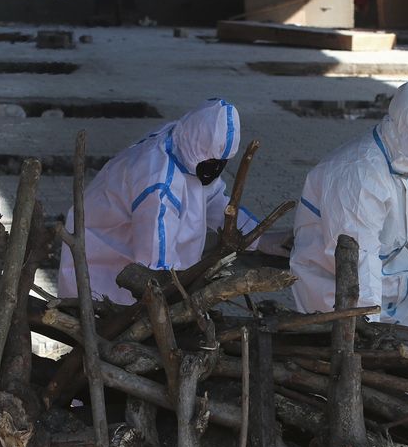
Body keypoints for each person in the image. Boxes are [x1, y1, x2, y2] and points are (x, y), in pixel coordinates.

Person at [57, 98, 281, 305]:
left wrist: (259, 238)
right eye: (211, 160)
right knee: (114, 317)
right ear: (197, 146)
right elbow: (155, 265)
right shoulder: (158, 181)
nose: (215, 168)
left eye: (221, 162)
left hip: (131, 255)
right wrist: (177, 299)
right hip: (105, 259)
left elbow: (213, 201)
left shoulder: (186, 146)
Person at [289, 77, 408, 328]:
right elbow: (358, 261)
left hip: (391, 280)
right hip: (336, 285)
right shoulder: (359, 176)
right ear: (404, 131)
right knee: (353, 353)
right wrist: (368, 325)